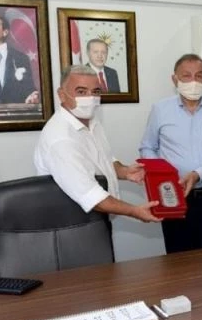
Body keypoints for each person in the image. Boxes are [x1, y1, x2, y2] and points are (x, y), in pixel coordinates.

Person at [34, 64, 160, 223]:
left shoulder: (91, 120)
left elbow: (103, 159)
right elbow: (91, 196)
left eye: (95, 92)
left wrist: (125, 171)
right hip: (73, 225)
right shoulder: (61, 139)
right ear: (62, 95)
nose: (90, 98)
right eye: (81, 92)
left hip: (97, 220)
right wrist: (135, 211)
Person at [139, 53, 202, 253]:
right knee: (179, 262)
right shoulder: (160, 109)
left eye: (199, 76)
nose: (193, 81)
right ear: (175, 79)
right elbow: (147, 147)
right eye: (186, 76)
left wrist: (197, 174)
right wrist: (164, 175)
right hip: (173, 196)